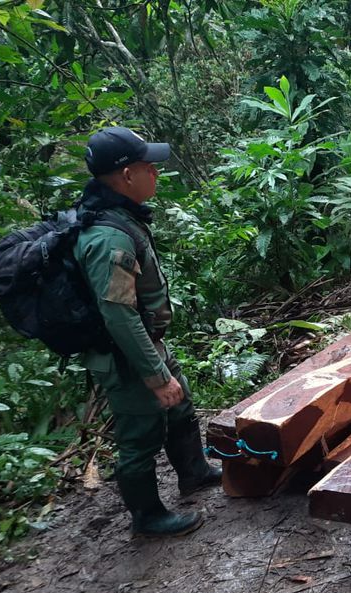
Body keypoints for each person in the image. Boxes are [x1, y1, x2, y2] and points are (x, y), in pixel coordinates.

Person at [74, 126, 221, 537]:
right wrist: (155, 376)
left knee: (180, 403)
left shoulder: (120, 215)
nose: (155, 173)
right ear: (126, 175)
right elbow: (118, 315)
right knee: (140, 433)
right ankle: (148, 517)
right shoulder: (109, 237)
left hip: (145, 341)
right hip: (124, 354)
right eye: (148, 167)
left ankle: (194, 472)